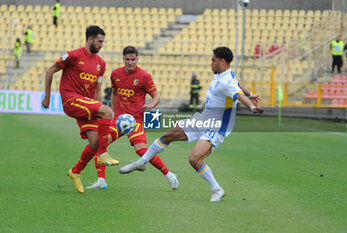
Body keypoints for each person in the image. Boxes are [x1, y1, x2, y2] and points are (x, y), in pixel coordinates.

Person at [119, 46, 264, 202]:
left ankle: (217, 189)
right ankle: (141, 163)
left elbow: (237, 94)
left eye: (213, 60)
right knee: (168, 135)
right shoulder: (226, 75)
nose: (211, 63)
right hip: (203, 119)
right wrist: (251, 94)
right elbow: (239, 86)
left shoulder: (226, 82)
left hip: (216, 127)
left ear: (222, 61)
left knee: (194, 159)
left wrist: (252, 106)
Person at [87, 45, 179, 190]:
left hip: (135, 120)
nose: (130, 62)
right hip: (118, 119)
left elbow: (156, 97)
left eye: (133, 59)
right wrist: (113, 112)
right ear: (123, 59)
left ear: (137, 59)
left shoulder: (144, 76)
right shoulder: (116, 74)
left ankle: (170, 175)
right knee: (99, 143)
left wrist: (151, 106)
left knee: (141, 150)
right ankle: (101, 180)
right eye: (127, 59)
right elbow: (115, 93)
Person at [41, 25, 119, 193]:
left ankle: (75, 172)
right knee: (108, 112)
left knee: (95, 141)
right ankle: (104, 154)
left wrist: (97, 109)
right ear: (90, 39)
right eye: (99, 41)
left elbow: (97, 90)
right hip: (71, 99)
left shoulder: (101, 64)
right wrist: (47, 96)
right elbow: (50, 71)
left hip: (87, 104)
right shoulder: (73, 55)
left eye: (103, 42)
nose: (101, 45)